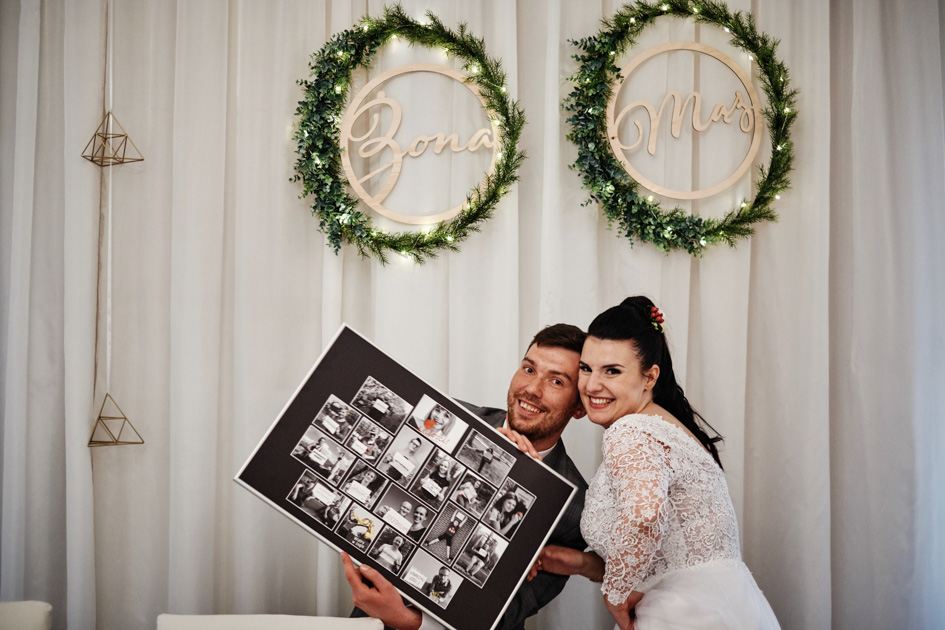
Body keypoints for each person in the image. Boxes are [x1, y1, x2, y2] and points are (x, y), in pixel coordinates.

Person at [534, 297, 779, 629]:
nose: (591, 385)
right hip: (725, 606)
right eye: (586, 369)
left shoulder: (629, 430)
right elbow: (666, 559)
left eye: (612, 371)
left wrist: (616, 595)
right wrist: (582, 563)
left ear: (649, 378)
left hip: (684, 614)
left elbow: (645, 515)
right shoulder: (667, 427)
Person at [346, 323, 591, 630]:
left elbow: (512, 609)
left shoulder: (576, 509)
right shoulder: (449, 415)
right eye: (529, 369)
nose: (532, 389)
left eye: (556, 381)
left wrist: (409, 621)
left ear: (579, 408)